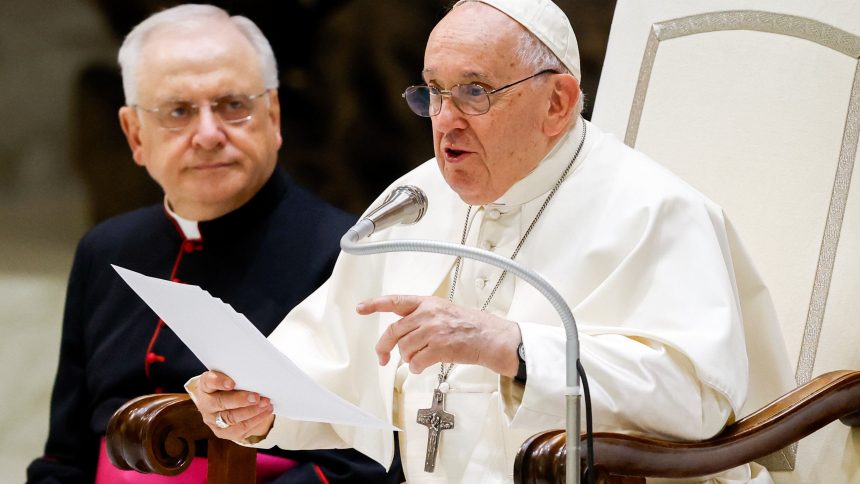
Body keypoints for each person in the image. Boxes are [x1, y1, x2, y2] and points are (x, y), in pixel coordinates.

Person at [188, 0, 796, 483]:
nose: (445, 119)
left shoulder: (653, 210)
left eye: (475, 91)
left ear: (556, 102)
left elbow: (694, 400)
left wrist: (515, 347)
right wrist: (261, 404)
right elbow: (335, 354)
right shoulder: (417, 198)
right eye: (433, 91)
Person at [26, 5, 402, 484]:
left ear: (274, 115)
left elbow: (368, 463)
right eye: (178, 111)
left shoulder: (349, 255)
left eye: (232, 105)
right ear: (134, 134)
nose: (208, 135)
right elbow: (64, 456)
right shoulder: (105, 249)